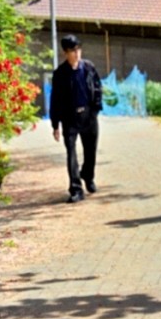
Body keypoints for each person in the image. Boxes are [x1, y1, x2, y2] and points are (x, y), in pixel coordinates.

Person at [50, 33, 103, 201]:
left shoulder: (89, 68)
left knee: (90, 151)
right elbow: (55, 99)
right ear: (65, 52)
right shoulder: (60, 74)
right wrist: (55, 125)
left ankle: (88, 176)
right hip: (70, 118)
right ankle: (76, 189)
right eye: (73, 50)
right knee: (71, 153)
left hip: (88, 116)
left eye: (78, 49)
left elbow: (98, 88)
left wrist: (95, 111)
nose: (77, 53)